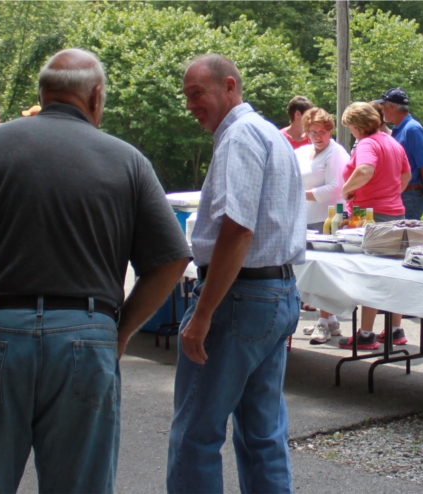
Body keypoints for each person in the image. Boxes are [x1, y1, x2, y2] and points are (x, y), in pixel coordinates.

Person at [0, 48, 189, 493]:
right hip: (85, 333)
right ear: (96, 96)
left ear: (42, 95)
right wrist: (120, 331)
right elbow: (172, 258)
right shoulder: (126, 160)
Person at [168, 53, 303, 494]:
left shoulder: (240, 136)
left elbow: (238, 228)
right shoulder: (268, 133)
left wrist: (202, 313)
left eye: (196, 94)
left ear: (229, 86)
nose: (190, 105)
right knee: (262, 433)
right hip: (273, 294)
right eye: (186, 96)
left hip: (240, 299)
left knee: (196, 434)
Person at [336, 101, 410, 350]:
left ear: (358, 125)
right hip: (395, 214)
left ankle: (366, 334)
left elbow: (365, 169)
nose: (351, 133)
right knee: (393, 274)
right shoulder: (392, 141)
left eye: (350, 128)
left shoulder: (368, 143)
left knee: (373, 275)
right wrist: (391, 194)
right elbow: (406, 175)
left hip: (372, 217)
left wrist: (347, 189)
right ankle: (395, 329)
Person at [297, 107, 349, 344]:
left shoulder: (335, 152)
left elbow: (334, 188)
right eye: (312, 132)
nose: (317, 137)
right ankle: (330, 321)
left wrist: (298, 194)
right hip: (306, 218)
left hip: (329, 219)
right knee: (310, 272)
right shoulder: (304, 151)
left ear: (330, 130)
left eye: (322, 132)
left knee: (324, 272)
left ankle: (323, 322)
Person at [378, 88, 423, 220]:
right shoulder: (399, 129)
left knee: (407, 239)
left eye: (383, 106)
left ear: (391, 106)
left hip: (410, 195)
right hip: (402, 193)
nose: (382, 111)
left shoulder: (412, 129)